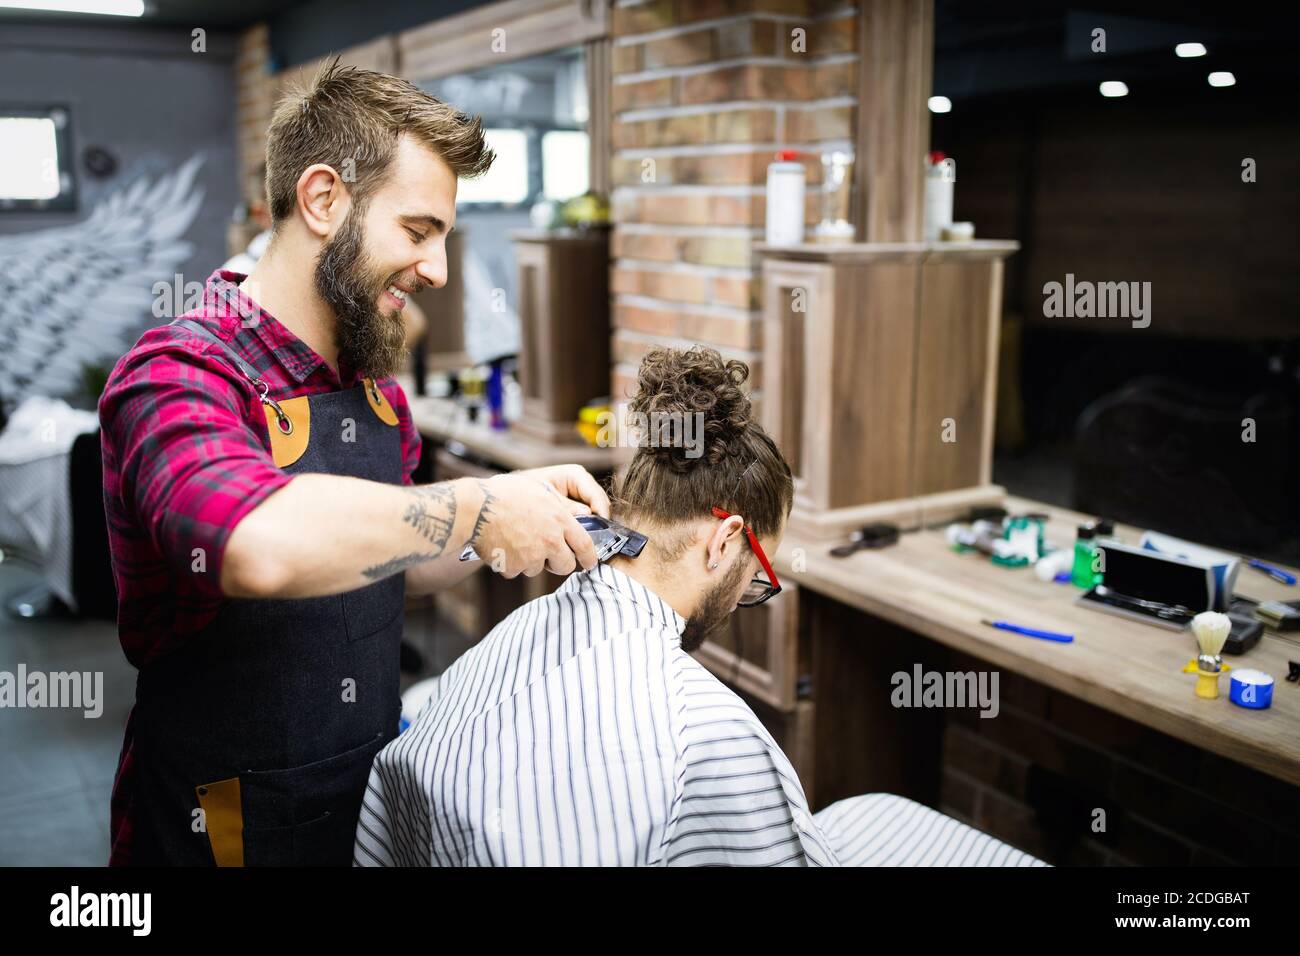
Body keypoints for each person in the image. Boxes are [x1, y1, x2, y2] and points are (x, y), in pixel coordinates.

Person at [98, 60, 609, 866]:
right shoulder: (178, 374)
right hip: (221, 822)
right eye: (418, 232)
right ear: (323, 199)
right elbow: (252, 543)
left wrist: (505, 522)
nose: (437, 269)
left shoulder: (370, 381)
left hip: (361, 799)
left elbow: (395, 559)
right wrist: (476, 504)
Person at [355, 347, 1046, 867]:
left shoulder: (521, 631)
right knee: (881, 815)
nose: (747, 596)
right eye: (756, 576)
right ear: (726, 540)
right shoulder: (706, 733)